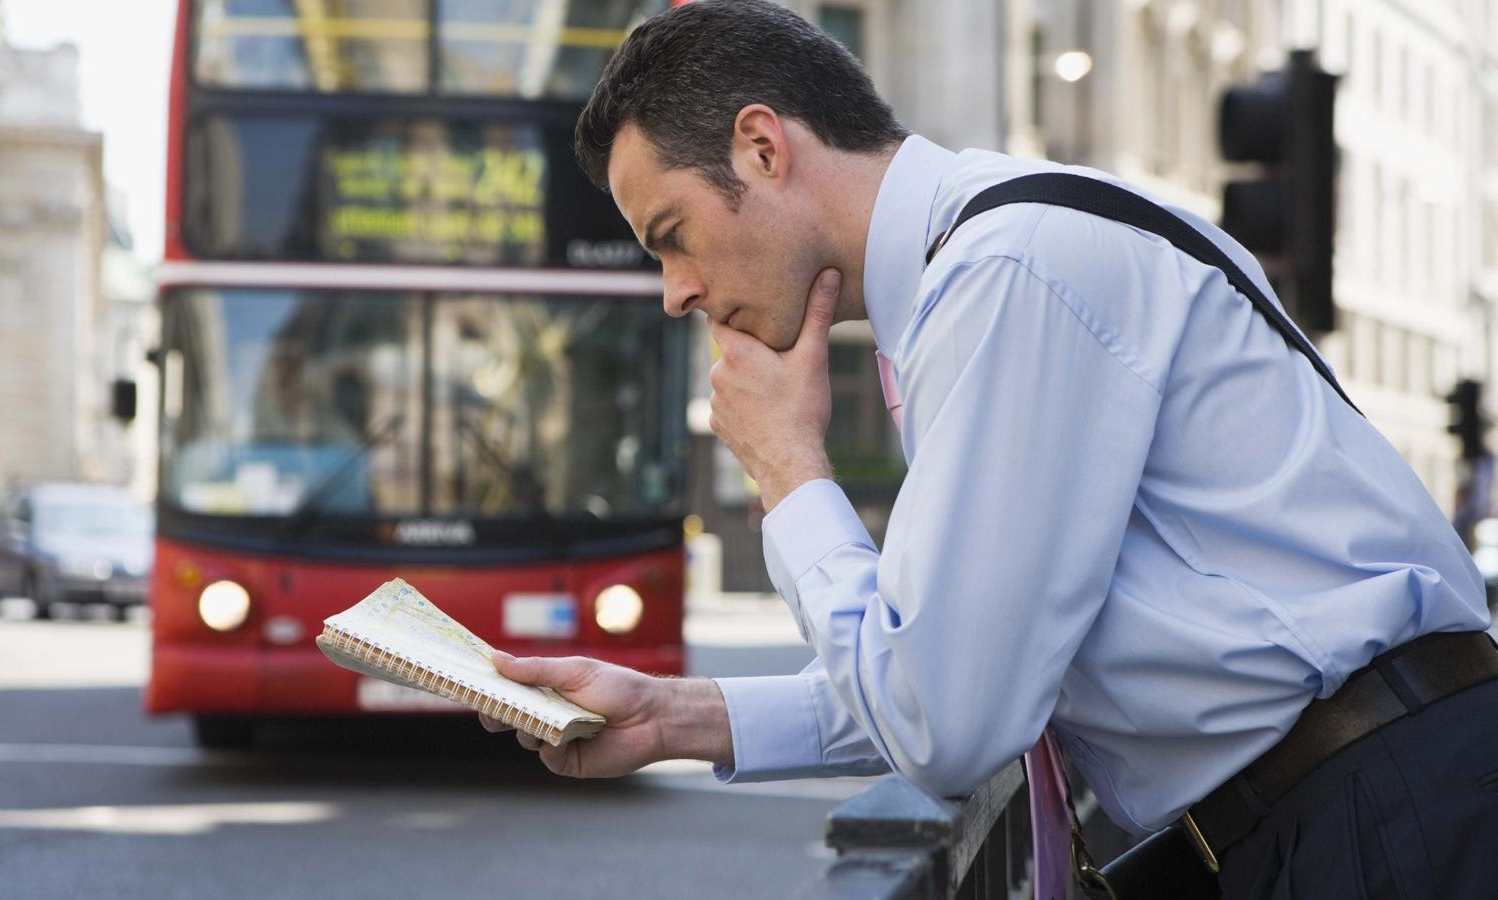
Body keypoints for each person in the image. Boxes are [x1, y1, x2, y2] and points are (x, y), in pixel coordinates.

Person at [479, 2, 1498, 895]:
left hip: (1383, 817)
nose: (675, 292)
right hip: (1369, 800)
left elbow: (948, 725)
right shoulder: (996, 257)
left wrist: (789, 470)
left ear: (761, 147)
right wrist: (670, 716)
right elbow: (960, 663)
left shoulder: (1009, 272)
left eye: (670, 233)